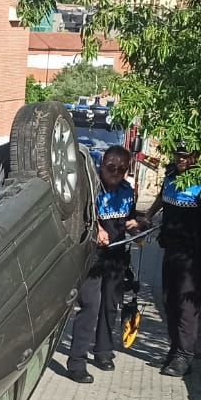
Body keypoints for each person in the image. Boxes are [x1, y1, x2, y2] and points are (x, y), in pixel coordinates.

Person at [143, 148, 201, 377]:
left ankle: (184, 356)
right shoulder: (172, 175)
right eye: (178, 154)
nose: (181, 159)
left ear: (196, 157)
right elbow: (162, 198)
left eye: (186, 155)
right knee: (169, 301)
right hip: (172, 251)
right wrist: (148, 216)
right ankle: (175, 350)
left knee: (186, 306)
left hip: (195, 254)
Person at [66, 145, 141, 382]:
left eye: (121, 169)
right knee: (91, 306)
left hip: (117, 259)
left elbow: (129, 217)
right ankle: (76, 362)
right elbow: (80, 216)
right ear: (102, 165)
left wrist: (137, 224)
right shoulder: (91, 189)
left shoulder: (128, 191)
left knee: (110, 306)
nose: (116, 172)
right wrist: (96, 229)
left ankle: (103, 352)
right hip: (92, 258)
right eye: (111, 167)